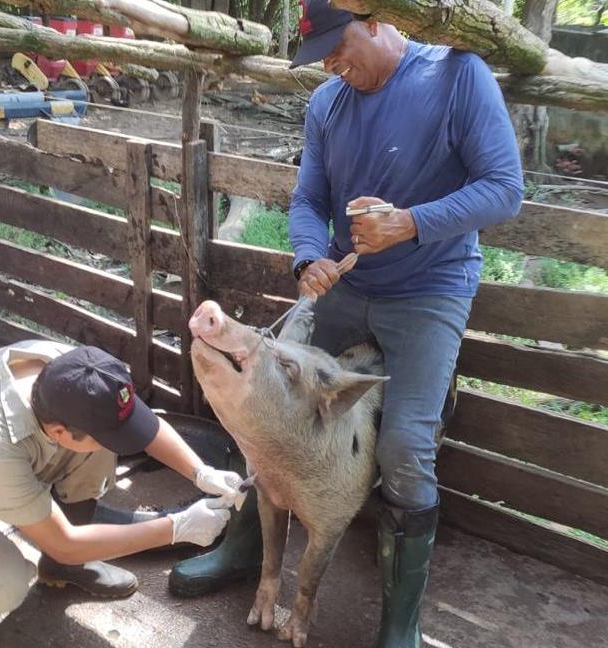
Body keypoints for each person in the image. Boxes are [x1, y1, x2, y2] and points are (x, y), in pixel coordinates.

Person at [169, 1, 523, 646]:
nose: (332, 64)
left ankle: (400, 621)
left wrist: (409, 222)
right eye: (323, 56)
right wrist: (309, 257)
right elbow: (308, 199)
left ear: (376, 18)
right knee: (266, 401)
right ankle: (246, 549)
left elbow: (504, 188)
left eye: (339, 48)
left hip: (430, 291)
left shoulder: (456, 73)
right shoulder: (328, 104)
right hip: (345, 286)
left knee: (406, 451)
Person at [0, 340, 240, 643]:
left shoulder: (72, 373)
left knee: (99, 442)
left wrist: (200, 471)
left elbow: (144, 425)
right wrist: (177, 527)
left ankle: (63, 569)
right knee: (3, 586)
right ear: (59, 431)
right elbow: (65, 539)